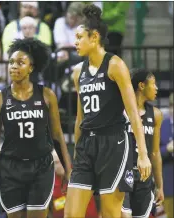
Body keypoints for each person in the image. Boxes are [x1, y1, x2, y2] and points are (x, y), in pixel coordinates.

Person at [64, 4, 152, 218]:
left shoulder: (115, 65)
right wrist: (77, 151)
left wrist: (143, 154)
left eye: (79, 37)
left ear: (94, 38)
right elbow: (80, 117)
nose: (74, 42)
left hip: (113, 143)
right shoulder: (78, 73)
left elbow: (132, 112)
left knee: (112, 213)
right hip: (86, 144)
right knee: (71, 214)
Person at [0, 38, 72, 218]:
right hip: (10, 168)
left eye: (20, 63)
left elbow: (56, 134)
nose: (13, 67)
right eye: (11, 62)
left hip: (41, 167)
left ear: (31, 67)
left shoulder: (47, 96)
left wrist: (67, 169)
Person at [121, 69, 164, 218]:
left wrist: (159, 185)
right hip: (122, 174)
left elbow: (155, 152)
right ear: (141, 85)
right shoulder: (120, 110)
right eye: (154, 84)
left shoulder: (156, 115)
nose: (157, 88)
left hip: (144, 179)